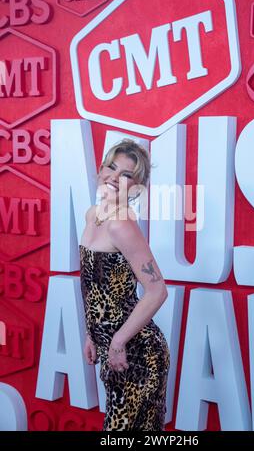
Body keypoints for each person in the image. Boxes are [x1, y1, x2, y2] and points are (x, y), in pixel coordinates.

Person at [79, 138, 170, 431]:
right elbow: (93, 285)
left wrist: (117, 341)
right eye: (112, 167)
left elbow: (157, 291)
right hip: (110, 346)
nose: (115, 178)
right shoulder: (92, 215)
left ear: (137, 188)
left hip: (138, 353)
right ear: (101, 169)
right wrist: (92, 334)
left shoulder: (122, 225)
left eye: (127, 175)